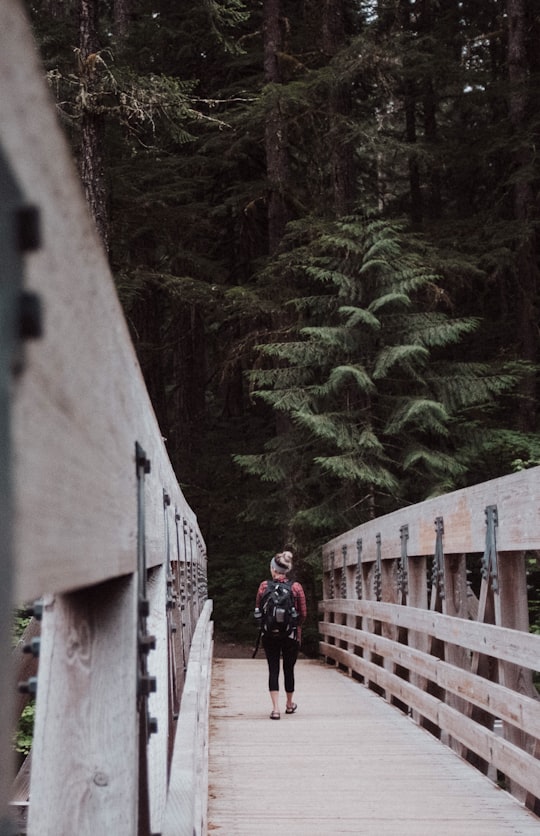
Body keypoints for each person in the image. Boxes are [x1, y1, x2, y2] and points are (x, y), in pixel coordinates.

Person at [255, 550, 307, 720]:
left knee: (273, 669)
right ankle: (289, 704)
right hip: (291, 635)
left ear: (273, 569)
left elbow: (258, 610)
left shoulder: (264, 586)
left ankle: (275, 708)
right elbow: (303, 614)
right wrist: (294, 627)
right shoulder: (296, 587)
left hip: (270, 635)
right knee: (289, 669)